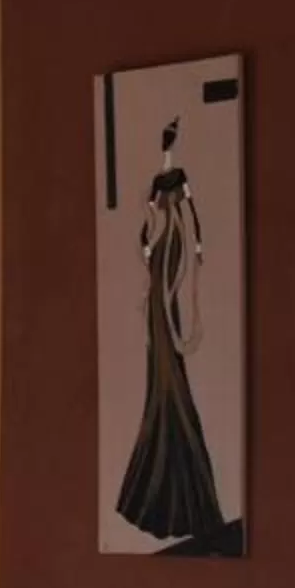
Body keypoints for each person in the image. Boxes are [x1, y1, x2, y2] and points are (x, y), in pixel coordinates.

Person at [116, 118, 223, 544]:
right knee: (164, 388)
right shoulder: (166, 230)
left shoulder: (176, 232)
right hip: (160, 323)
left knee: (169, 388)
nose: (164, 199)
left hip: (165, 321)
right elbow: (152, 261)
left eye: (168, 194)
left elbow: (170, 277)